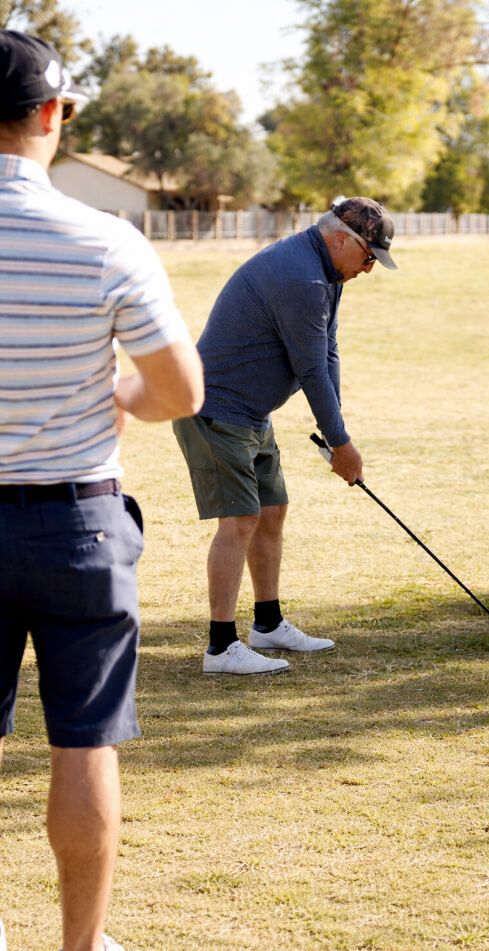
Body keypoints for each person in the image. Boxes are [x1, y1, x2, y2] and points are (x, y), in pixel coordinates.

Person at [0, 30, 204, 951]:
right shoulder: (105, 239)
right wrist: (121, 394)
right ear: (52, 114)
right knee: (83, 740)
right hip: (77, 522)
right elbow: (180, 393)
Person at [173, 195, 397, 676]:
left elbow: (327, 348)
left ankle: (268, 624)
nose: (368, 270)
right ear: (342, 239)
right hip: (217, 410)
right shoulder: (302, 279)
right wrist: (341, 444)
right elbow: (310, 369)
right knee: (240, 520)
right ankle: (220, 648)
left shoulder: (327, 273)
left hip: (252, 412)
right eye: (368, 257)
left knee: (272, 511)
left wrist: (334, 432)